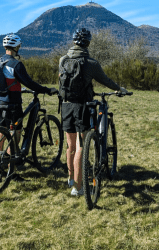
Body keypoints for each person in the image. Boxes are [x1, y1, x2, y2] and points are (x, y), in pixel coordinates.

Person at [59, 28, 127, 197]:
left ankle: (70, 178)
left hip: (66, 105)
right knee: (82, 146)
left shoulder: (63, 59)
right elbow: (105, 80)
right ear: (88, 43)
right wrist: (119, 89)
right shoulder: (90, 63)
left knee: (70, 146)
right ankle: (78, 187)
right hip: (82, 106)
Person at [0, 33, 58, 152]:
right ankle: (11, 165)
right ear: (16, 47)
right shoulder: (16, 64)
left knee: (1, 131)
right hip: (13, 103)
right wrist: (46, 90)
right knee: (15, 132)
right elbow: (29, 83)